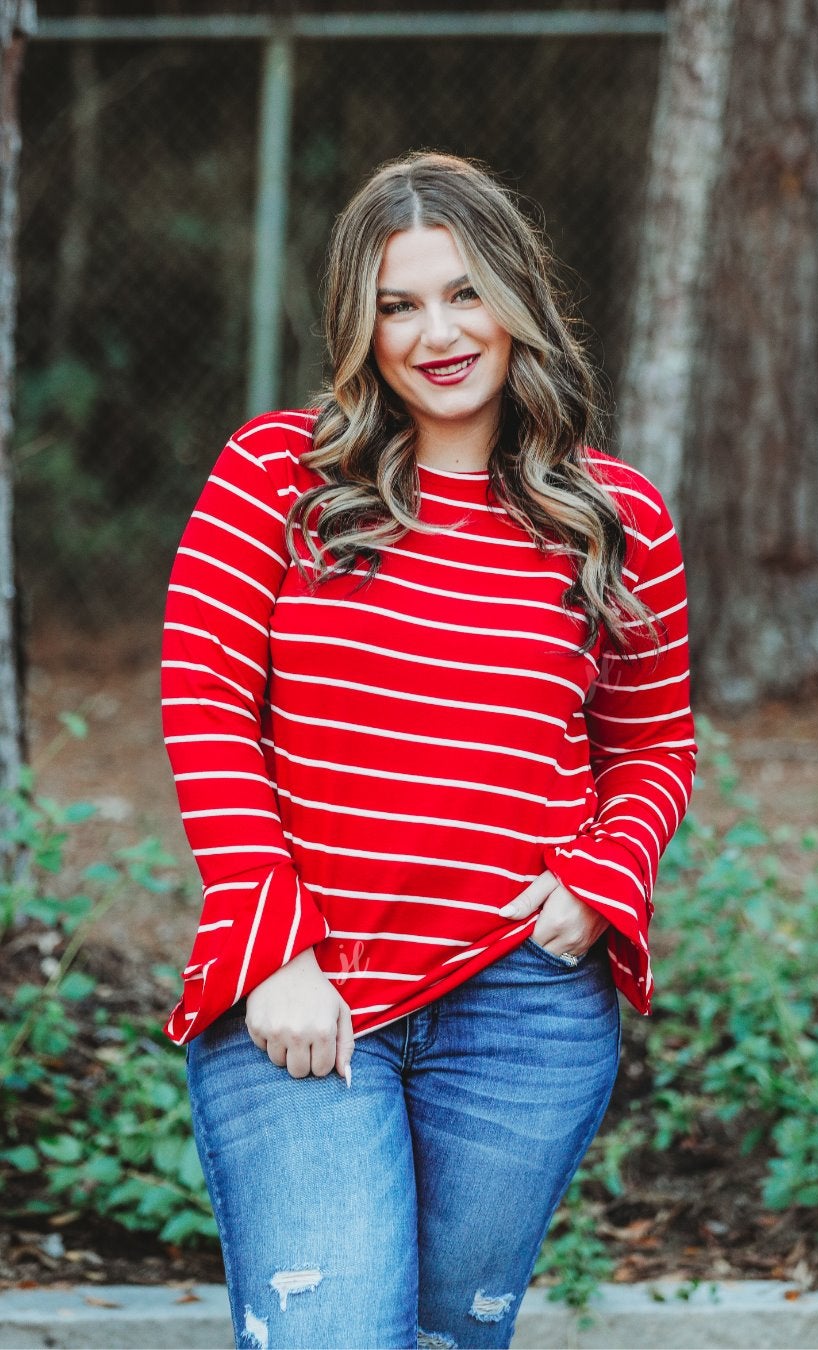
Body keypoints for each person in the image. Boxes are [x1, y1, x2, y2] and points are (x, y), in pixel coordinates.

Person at [160, 150, 697, 1350]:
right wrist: (272, 948)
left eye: (463, 293)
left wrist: (605, 886)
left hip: (525, 1005)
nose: (436, 333)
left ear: (517, 300)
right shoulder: (278, 477)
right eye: (396, 304)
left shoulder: (612, 516)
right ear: (360, 327)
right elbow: (204, 709)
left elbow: (656, 745)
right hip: (308, 997)